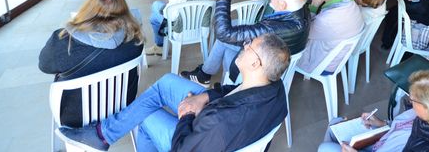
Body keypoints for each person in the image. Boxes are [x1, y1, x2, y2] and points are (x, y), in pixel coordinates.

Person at [57, 34, 290, 152]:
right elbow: (234, 90)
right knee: (168, 82)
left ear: (255, 64)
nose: (244, 46)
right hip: (222, 121)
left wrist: (187, 114)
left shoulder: (220, 121)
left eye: (249, 46)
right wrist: (205, 97)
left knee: (146, 115)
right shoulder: (274, 87)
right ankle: (103, 134)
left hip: (202, 135)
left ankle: (101, 136)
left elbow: (184, 148)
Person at [181, 0, 310, 87]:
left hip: (261, 70)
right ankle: (225, 85)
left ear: (282, 5)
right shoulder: (301, 10)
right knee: (227, 51)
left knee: (224, 38)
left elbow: (223, 32)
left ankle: (206, 75)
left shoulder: (272, 29)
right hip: (274, 59)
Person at [39, 0, 144, 127]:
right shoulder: (135, 38)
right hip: (123, 103)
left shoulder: (64, 41)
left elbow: (44, 65)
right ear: (123, 9)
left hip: (76, 115)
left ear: (87, 8)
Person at [317, 70, 429, 152]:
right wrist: (381, 123)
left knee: (326, 148)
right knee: (335, 123)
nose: (409, 100)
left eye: (412, 99)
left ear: (428, 108)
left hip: (382, 147)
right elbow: (401, 127)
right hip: (383, 142)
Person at [297, 0, 365, 73]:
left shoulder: (329, 19)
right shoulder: (350, 1)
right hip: (338, 56)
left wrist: (314, 7)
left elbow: (305, 34)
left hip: (323, 64)